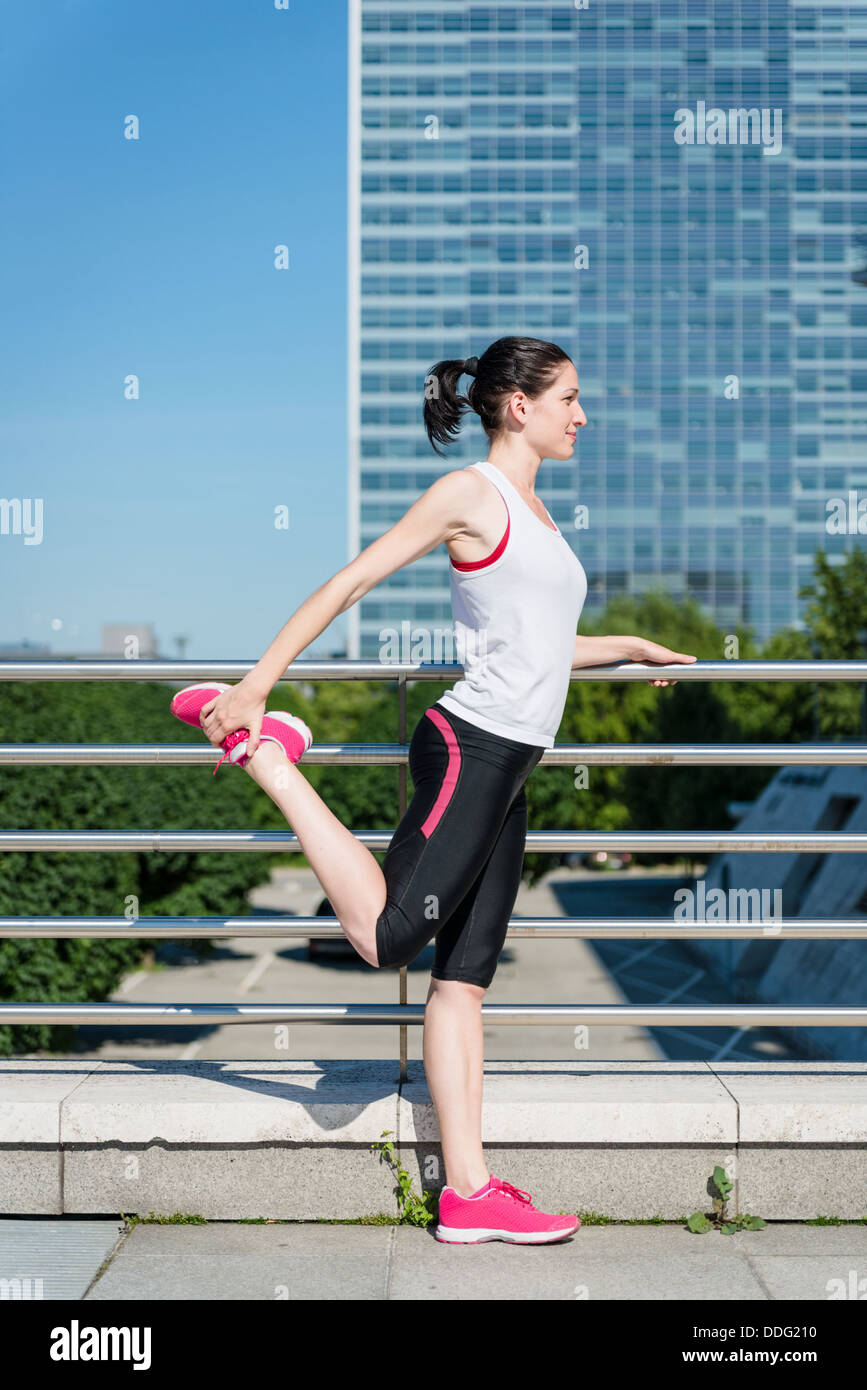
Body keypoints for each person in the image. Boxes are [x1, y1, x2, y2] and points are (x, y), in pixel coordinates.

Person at [170, 335, 696, 1244]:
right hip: (468, 747)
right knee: (388, 939)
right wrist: (258, 682)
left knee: (461, 983)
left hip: (513, 760)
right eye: (569, 397)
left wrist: (627, 649)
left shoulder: (536, 511)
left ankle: (467, 1194)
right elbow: (353, 580)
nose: (584, 415)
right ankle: (271, 758)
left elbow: (536, 651)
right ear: (517, 405)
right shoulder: (471, 495)